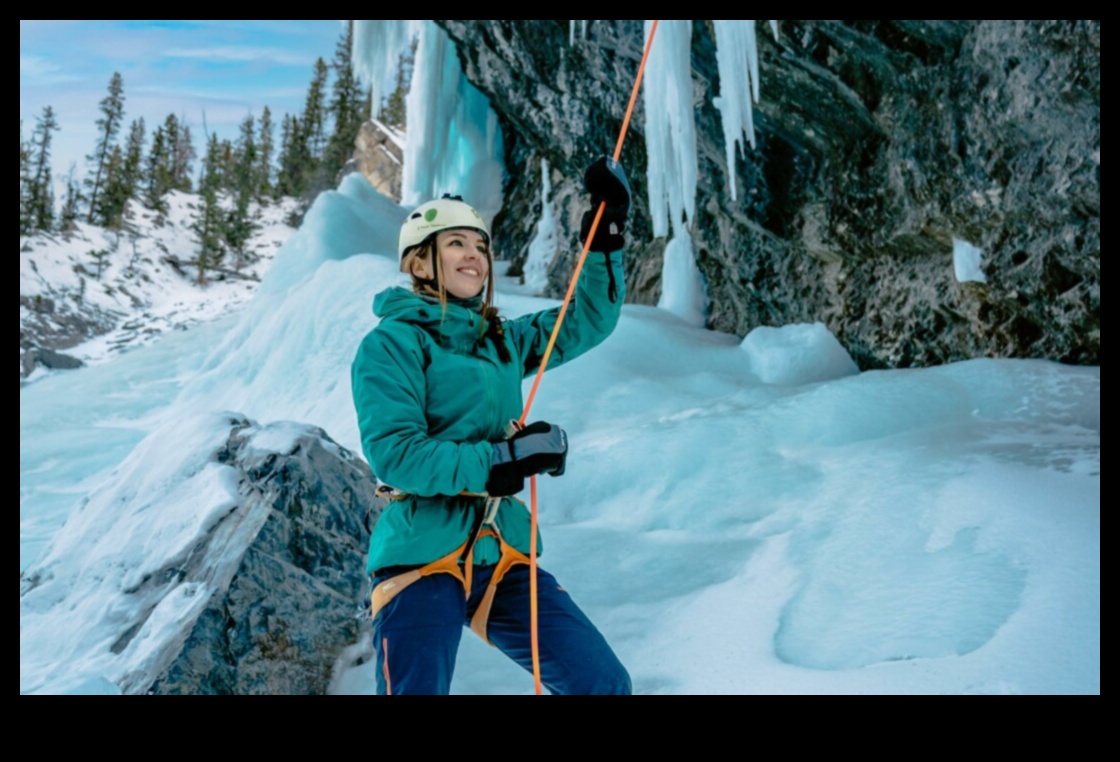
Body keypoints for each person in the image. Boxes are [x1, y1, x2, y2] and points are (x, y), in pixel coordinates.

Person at [350, 156, 633, 695]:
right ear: (420, 263)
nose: (475, 256)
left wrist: (607, 231)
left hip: (498, 552)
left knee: (603, 682)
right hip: (420, 553)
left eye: (480, 246)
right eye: (457, 243)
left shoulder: (500, 341)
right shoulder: (391, 344)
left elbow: (586, 319)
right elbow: (397, 453)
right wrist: (504, 461)